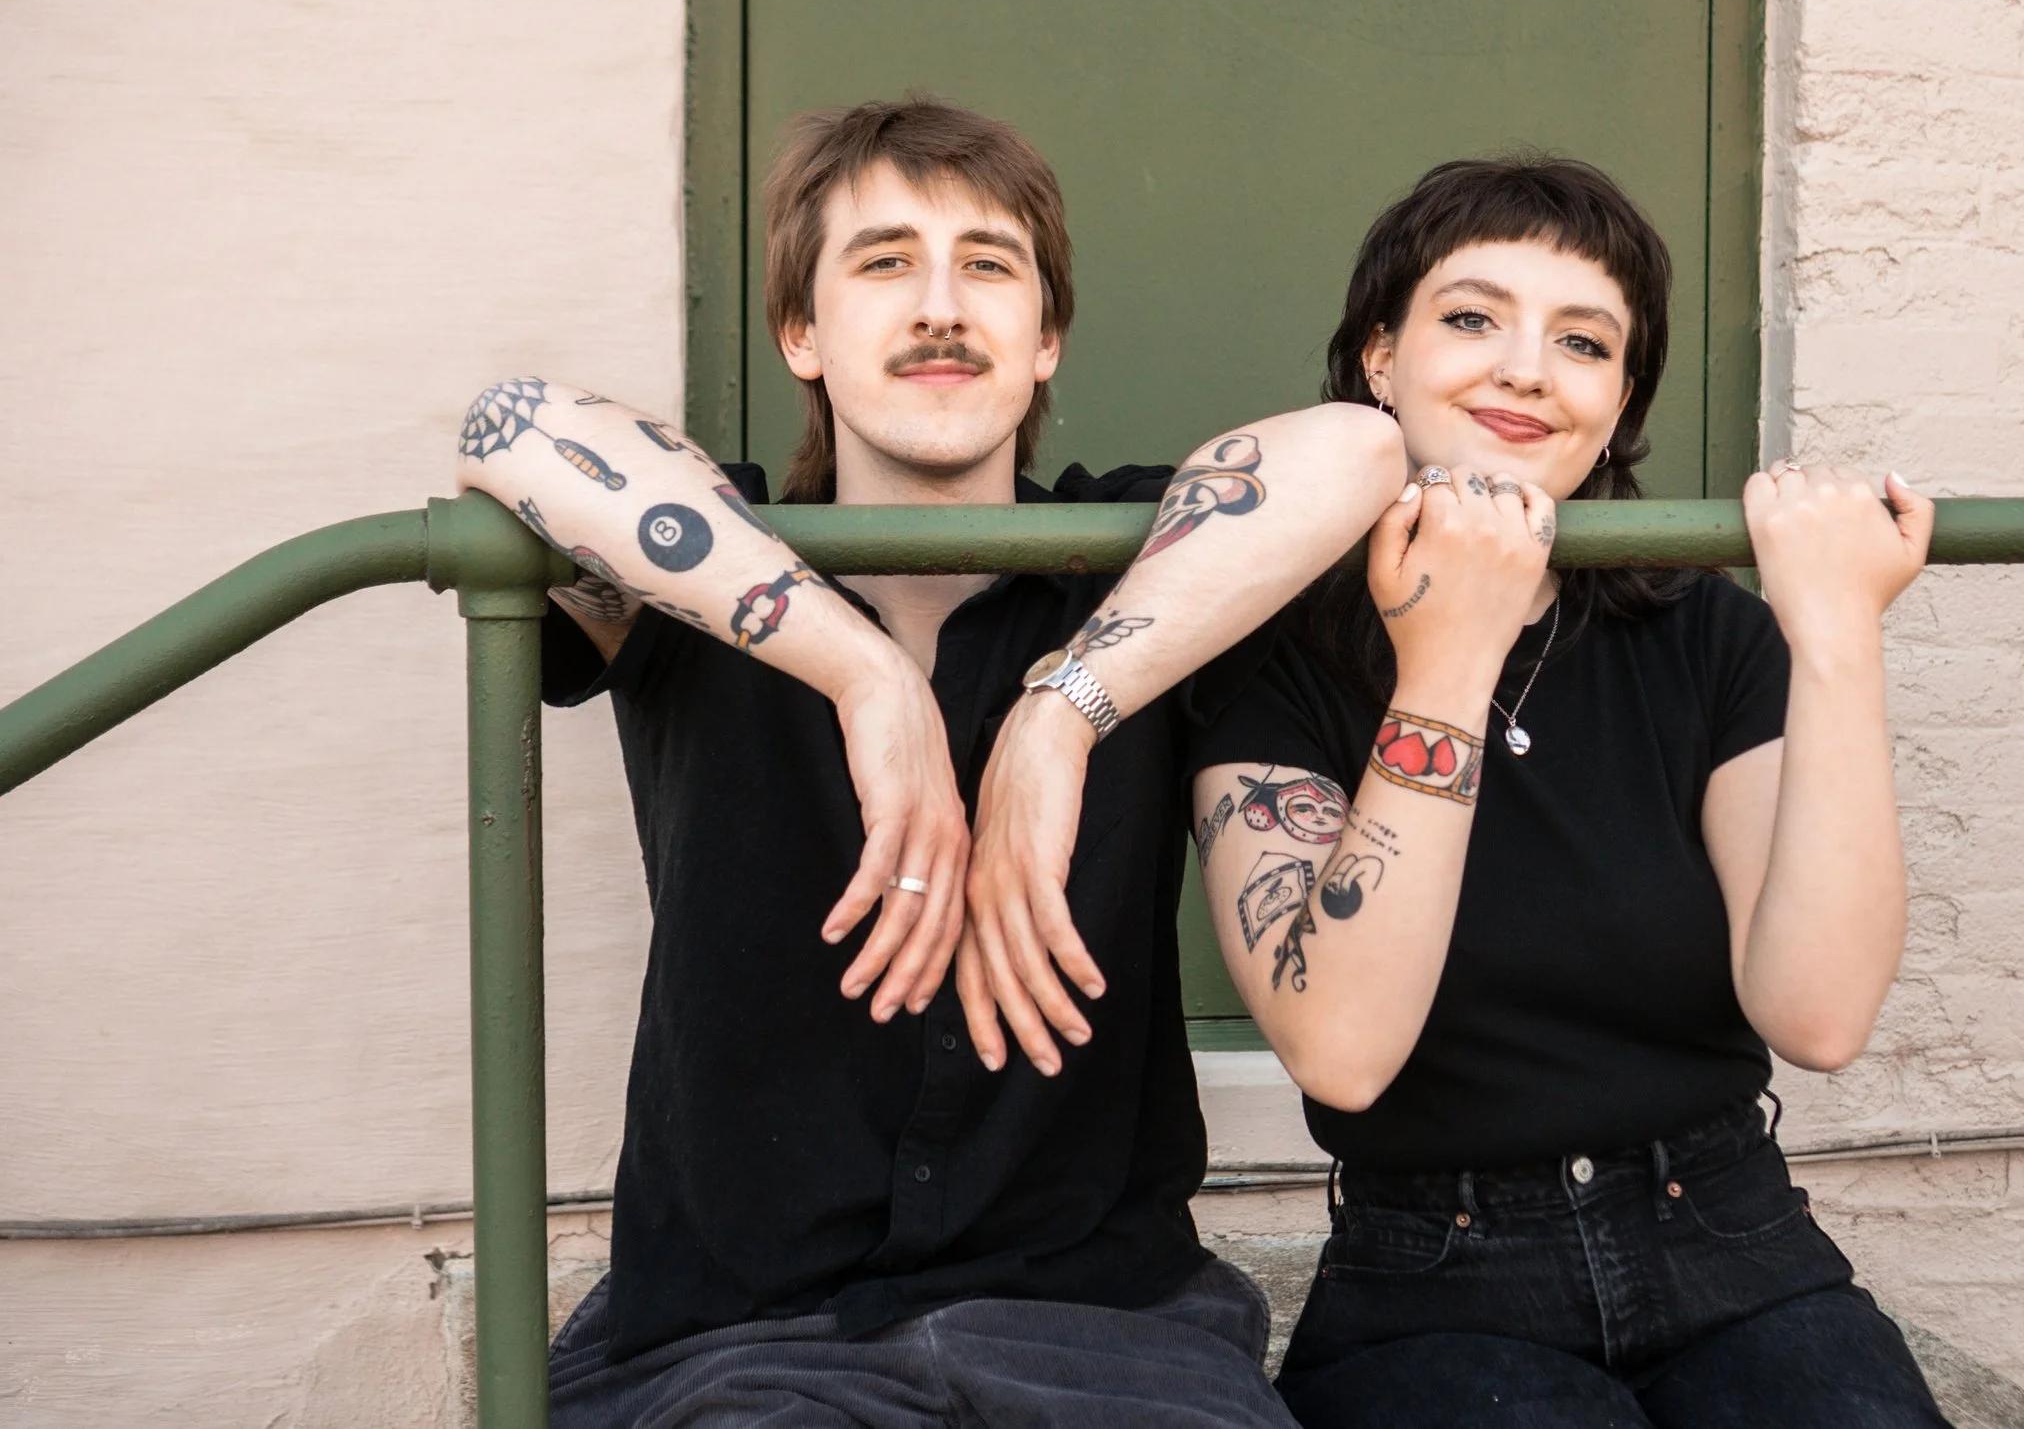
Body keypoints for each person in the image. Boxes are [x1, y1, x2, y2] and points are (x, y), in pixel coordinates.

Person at [456, 96, 1404, 1427]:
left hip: (1105, 1334)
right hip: (737, 1340)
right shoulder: (700, 567)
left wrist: (1062, 710)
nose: (942, 307)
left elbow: (1361, 444)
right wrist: (863, 671)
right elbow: (508, 421)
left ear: (1046, 336)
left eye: (990, 265)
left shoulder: (1142, 565)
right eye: (885, 262)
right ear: (800, 331)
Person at [1188, 154, 1951, 1427]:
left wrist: (1835, 640)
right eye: (1471, 318)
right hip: (1434, 1276)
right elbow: (1342, 1051)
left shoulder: (1705, 634)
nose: (1527, 369)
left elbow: (1817, 1015)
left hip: (1731, 1235)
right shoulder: (1272, 651)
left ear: (1619, 401)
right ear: (1379, 360)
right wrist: (1450, 656)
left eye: (1583, 342)